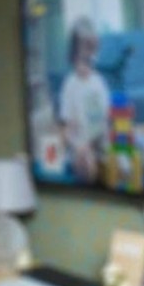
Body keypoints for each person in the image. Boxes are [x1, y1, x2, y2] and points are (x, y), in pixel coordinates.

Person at [59, 16, 111, 182]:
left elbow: (104, 122)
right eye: (81, 59)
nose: (84, 66)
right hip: (79, 150)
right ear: (73, 56)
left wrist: (92, 146)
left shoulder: (99, 83)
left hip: (99, 145)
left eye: (89, 60)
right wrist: (76, 147)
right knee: (84, 164)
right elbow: (66, 128)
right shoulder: (70, 85)